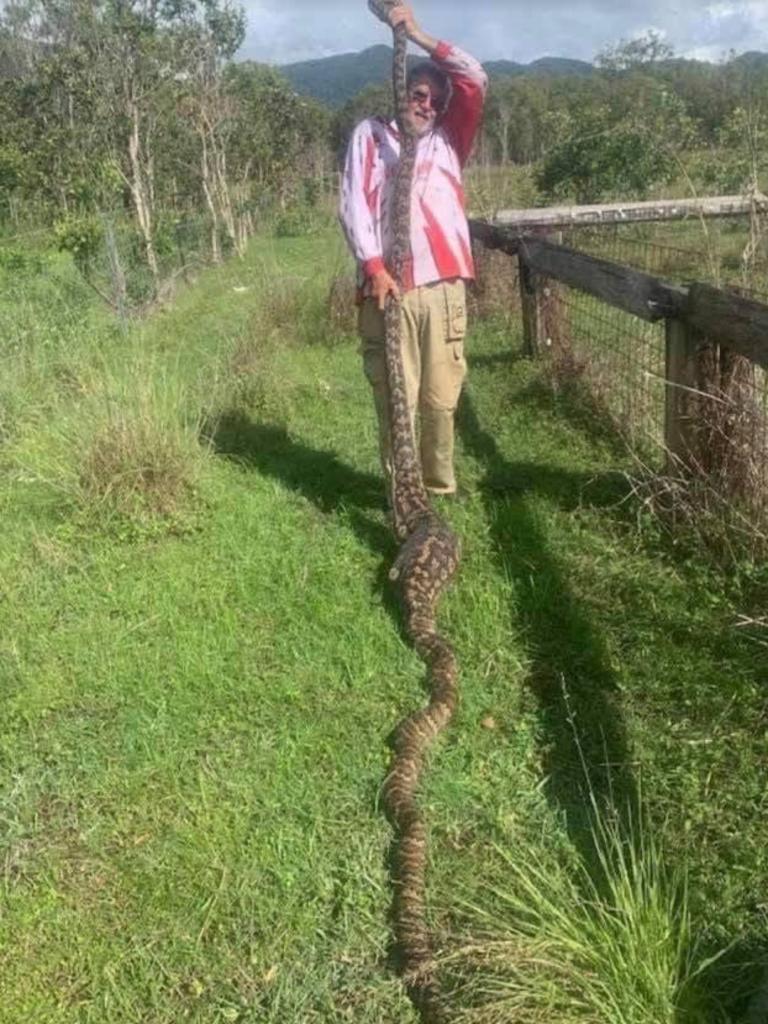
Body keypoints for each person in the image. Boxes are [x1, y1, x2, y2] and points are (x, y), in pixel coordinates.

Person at [339, 4, 488, 497]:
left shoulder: (448, 141)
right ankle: (401, 491)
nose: (426, 104)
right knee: (395, 396)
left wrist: (417, 32)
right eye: (418, 94)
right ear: (401, 92)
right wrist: (374, 266)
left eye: (434, 100)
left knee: (440, 398)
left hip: (444, 290)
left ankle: (438, 487)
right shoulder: (371, 136)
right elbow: (353, 206)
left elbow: (474, 78)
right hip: (389, 290)